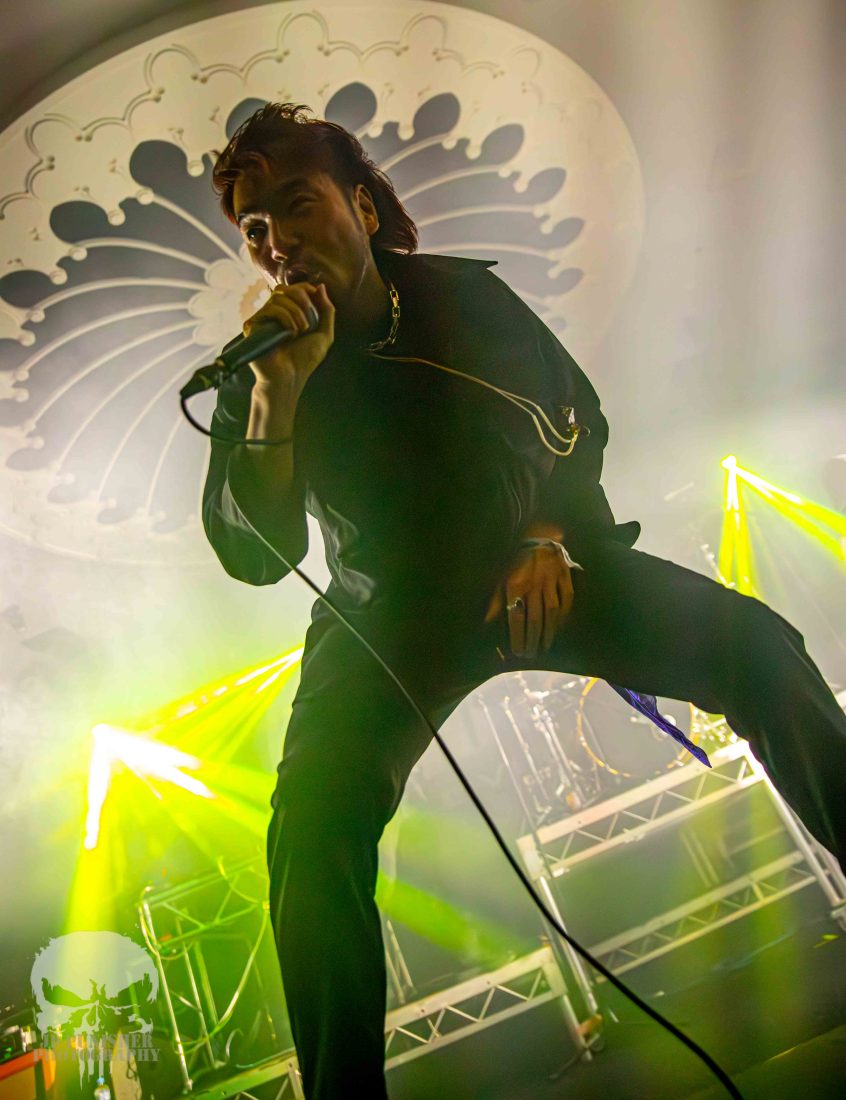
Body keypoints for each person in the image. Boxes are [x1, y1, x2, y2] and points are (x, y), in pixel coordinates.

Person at [202, 103, 845, 1099]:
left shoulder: (465, 300)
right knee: (311, 830)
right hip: (385, 619)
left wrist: (549, 532)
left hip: (534, 570)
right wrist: (274, 398)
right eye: (254, 228)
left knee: (754, 647)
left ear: (362, 207)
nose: (277, 240)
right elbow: (254, 554)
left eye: (297, 204)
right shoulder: (261, 367)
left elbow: (574, 416)